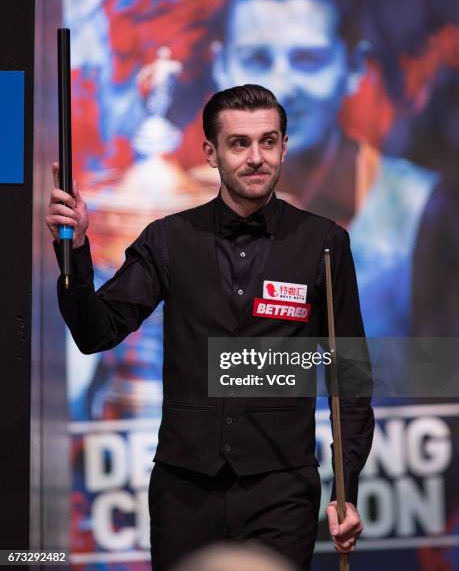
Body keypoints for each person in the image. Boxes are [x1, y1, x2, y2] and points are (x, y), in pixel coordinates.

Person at [46, 84, 374, 571]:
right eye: (239, 143)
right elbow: (97, 332)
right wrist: (72, 251)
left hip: (281, 488)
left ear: (284, 146)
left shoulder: (324, 242)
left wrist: (347, 487)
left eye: (268, 141)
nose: (256, 157)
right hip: (185, 490)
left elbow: (349, 377)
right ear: (211, 152)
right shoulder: (168, 239)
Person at [207, 0, 439, 337]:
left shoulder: (420, 210)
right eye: (257, 59)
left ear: (354, 66)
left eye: (308, 60)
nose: (281, 86)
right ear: (222, 66)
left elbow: (441, 381)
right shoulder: (176, 207)